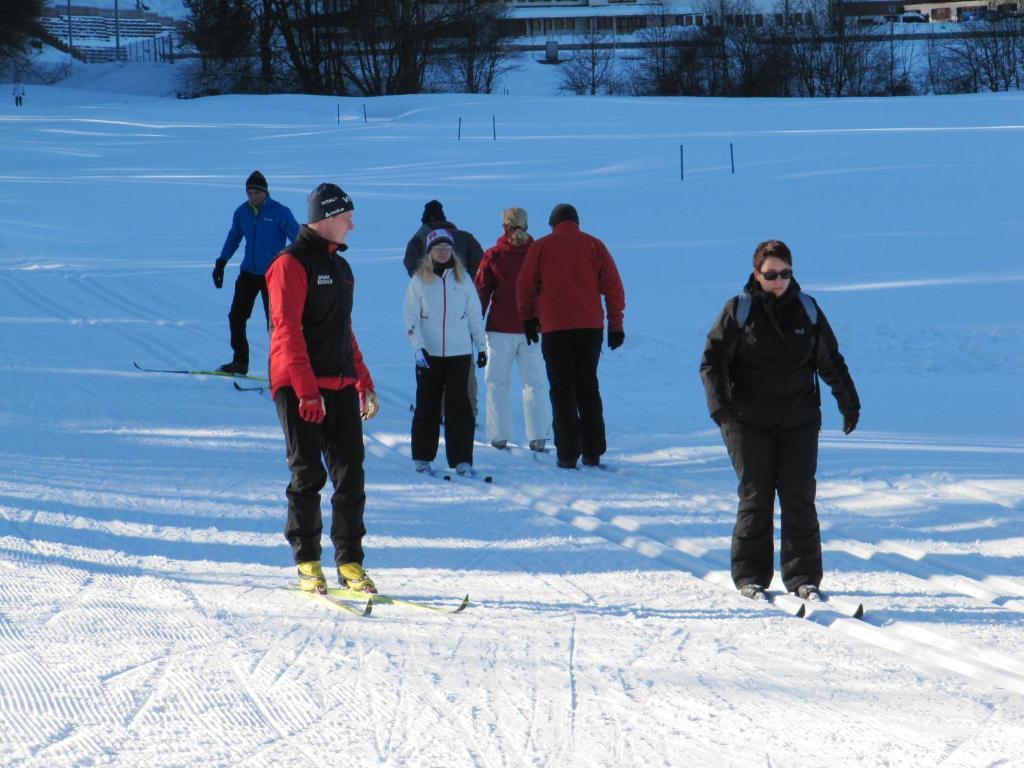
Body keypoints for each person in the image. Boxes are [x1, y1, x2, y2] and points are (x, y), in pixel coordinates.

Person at [699, 239, 860, 602]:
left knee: (799, 495)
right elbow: (712, 361)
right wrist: (720, 406)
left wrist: (849, 403)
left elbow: (830, 361)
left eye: (785, 273)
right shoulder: (738, 310)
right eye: (771, 274)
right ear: (756, 274)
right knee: (756, 495)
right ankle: (750, 575)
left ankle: (803, 575)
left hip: (798, 419)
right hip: (746, 420)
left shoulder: (807, 310)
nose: (778, 281)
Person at [265, 182, 382, 595]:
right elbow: (287, 330)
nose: (352, 225)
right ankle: (308, 562)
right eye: (347, 217)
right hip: (299, 385)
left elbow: (343, 330)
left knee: (351, 475)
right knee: (308, 473)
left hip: (339, 381)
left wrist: (363, 380)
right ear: (329, 217)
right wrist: (305, 390)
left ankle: (350, 562)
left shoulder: (341, 268)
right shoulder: (290, 263)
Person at [516, 203, 625, 469]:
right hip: (590, 328)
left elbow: (524, 286)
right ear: (577, 222)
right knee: (588, 386)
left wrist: (529, 319)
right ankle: (593, 450)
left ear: (553, 224)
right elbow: (613, 287)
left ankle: (567, 453)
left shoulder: (540, 247)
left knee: (562, 389)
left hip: (555, 328)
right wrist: (616, 325)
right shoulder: (594, 245)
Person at [404, 228, 487, 475]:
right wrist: (417, 346)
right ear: (430, 252)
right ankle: (422, 456)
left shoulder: (463, 281)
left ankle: (462, 458)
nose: (443, 253)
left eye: (447, 249)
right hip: (428, 354)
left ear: (453, 251)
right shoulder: (419, 280)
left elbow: (474, 316)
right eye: (438, 249)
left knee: (459, 406)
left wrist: (481, 346)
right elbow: (410, 317)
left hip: (459, 353)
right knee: (427, 404)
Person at [474, 207, 551, 452]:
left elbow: (481, 293)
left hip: (499, 329)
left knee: (497, 383)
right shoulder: (538, 253)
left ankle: (498, 436)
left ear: (504, 226)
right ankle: (538, 436)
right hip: (532, 327)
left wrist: (474, 327)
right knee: (535, 383)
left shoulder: (494, 255)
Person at [404, 200, 485, 422]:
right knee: (463, 365)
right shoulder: (464, 237)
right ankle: (469, 411)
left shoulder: (420, 238)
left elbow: (410, 264)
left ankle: (435, 411)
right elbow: (481, 263)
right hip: (461, 311)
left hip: (430, 314)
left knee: (431, 364)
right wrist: (464, 282)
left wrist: (427, 283)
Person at [213, 171, 299, 375]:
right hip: (248, 274)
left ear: (265, 192)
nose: (252, 196)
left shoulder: (280, 212)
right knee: (236, 317)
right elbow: (234, 237)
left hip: (274, 276)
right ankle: (240, 362)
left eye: (256, 193)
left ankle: (282, 369)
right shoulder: (242, 212)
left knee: (276, 324)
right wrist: (221, 262)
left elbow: (298, 239)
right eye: (249, 193)